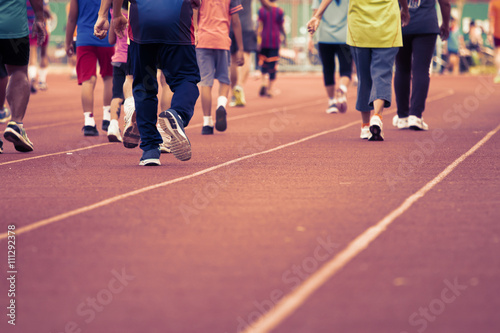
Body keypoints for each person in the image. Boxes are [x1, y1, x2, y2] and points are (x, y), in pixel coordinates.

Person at [95, 0, 201, 165]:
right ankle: (178, 114)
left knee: (144, 85)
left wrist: (111, 15)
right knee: (186, 78)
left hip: (142, 25)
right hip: (177, 22)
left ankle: (150, 149)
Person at [308, 0, 410, 141]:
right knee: (382, 74)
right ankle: (377, 116)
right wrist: (405, 9)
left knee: (364, 77)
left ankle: (365, 126)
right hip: (387, 27)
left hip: (360, 28)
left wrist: (318, 15)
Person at [392, 0, 450, 131]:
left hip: (401, 24)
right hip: (426, 24)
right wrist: (446, 24)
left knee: (401, 68)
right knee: (421, 70)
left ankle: (402, 117)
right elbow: (445, 3)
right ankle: (415, 116)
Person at [0, 0, 46, 154]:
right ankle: (16, 123)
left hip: (14, 25)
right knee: (18, 72)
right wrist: (40, 17)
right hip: (14, 26)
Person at [65, 0, 115, 137]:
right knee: (109, 77)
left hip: (84, 38)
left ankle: (89, 121)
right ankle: (107, 117)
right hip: (106, 37)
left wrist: (68, 41)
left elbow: (72, 17)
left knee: (88, 80)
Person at [196, 0, 244, 135]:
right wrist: (240, 48)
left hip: (203, 40)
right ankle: (221, 105)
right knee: (224, 79)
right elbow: (235, 21)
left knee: (205, 82)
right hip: (222, 41)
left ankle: (207, 122)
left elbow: (194, 13)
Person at [308, 0, 352, 114]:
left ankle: (332, 101)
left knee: (328, 70)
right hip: (344, 37)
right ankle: (342, 88)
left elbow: (316, 15)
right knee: (346, 69)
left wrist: (310, 37)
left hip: (325, 37)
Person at [229, 0, 271, 107]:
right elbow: (265, 3)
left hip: (230, 25)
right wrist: (269, 6)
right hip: (246, 25)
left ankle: (234, 93)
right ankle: (239, 86)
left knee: (232, 59)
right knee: (246, 55)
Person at [257, 0, 286, 98]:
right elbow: (281, 26)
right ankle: (269, 89)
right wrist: (284, 37)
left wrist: (258, 39)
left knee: (263, 64)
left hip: (264, 40)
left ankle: (263, 83)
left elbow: (259, 26)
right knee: (272, 66)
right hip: (274, 41)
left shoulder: (261, 10)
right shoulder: (279, 11)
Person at [27, 0, 52, 93]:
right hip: (42, 28)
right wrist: (50, 15)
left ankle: (33, 78)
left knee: (32, 55)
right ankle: (42, 81)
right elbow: (45, 9)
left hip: (29, 29)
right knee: (43, 54)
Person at [489, 0, 500, 83]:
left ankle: (499, 74)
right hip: (497, 33)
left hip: (497, 33)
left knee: (498, 53)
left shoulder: (494, 3)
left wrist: (490, 32)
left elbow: (492, 19)